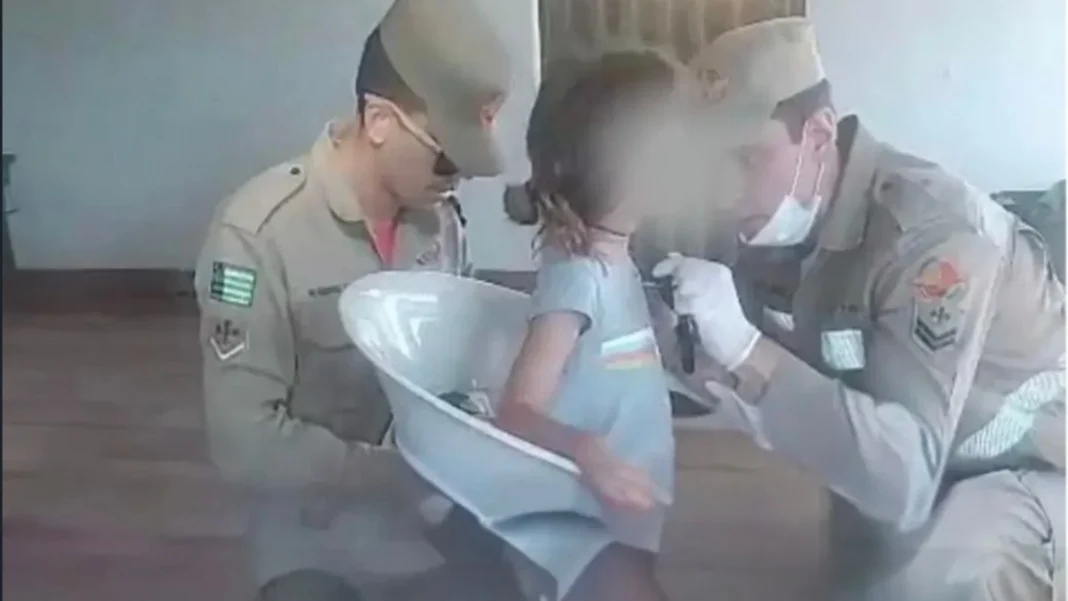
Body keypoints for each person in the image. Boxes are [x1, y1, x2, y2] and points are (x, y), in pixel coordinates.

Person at [653, 16, 1065, 601]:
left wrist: (747, 351)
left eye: (745, 159)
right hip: (933, 461)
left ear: (819, 135)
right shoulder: (779, 219)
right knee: (863, 570)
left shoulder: (930, 237)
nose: (722, 192)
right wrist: (689, 357)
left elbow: (903, 482)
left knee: (949, 572)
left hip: (1037, 467)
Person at [192, 0, 521, 599]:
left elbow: (455, 369)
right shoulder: (257, 234)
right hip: (317, 536)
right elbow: (245, 442)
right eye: (446, 156)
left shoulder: (440, 221)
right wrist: (398, 472)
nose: (457, 177)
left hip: (429, 519)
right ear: (379, 120)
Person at [494, 49, 688, 601]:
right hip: (582, 532)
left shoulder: (620, 261)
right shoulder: (578, 275)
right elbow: (517, 411)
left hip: (621, 522)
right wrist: (588, 452)